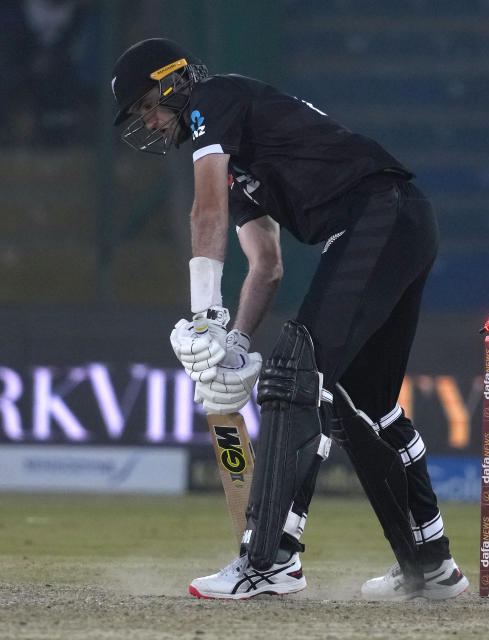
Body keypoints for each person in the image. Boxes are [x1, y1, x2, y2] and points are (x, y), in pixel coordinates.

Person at [111, 38, 468, 601]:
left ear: (173, 83)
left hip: (377, 215)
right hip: (399, 222)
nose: (151, 122)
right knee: (362, 405)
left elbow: (206, 212)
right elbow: (267, 266)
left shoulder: (213, 99)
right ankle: (430, 567)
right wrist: (231, 342)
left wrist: (203, 314)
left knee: (295, 371)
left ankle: (269, 560)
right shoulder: (238, 157)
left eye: (148, 106)